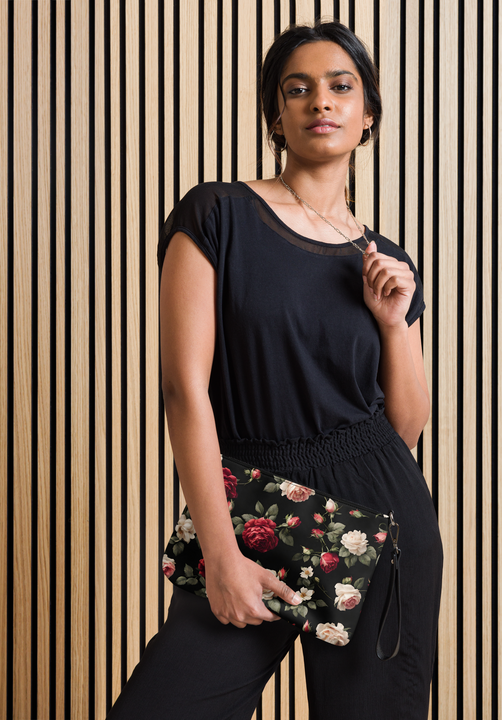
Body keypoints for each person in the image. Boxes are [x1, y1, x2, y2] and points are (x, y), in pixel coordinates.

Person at [108, 20, 442, 720]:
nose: (321, 101)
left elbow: (406, 427)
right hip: (251, 508)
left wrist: (393, 321)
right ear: (276, 116)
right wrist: (221, 555)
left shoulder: (386, 260)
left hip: (377, 513)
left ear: (367, 114)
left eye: (341, 87)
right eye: (298, 89)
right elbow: (184, 391)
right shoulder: (218, 215)